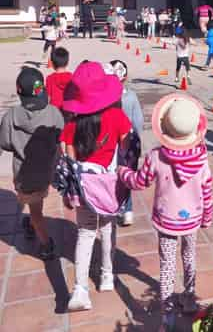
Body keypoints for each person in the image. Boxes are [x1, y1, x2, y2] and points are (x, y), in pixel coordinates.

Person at [118, 94, 213, 332]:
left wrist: (122, 173)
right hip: (192, 219)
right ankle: (190, 298)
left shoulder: (156, 157)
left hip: (167, 221)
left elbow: (139, 182)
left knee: (167, 265)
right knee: (189, 257)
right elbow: (207, 189)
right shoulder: (201, 158)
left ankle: (168, 319)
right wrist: (207, 218)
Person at [60, 61, 132, 312]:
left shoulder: (71, 125)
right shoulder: (116, 116)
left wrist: (69, 191)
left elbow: (69, 159)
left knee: (86, 233)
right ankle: (107, 276)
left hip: (83, 187)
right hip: (109, 185)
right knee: (108, 230)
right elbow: (127, 146)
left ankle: (80, 289)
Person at [0, 67, 64, 260]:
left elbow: (5, 143)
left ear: (19, 91)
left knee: (35, 208)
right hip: (45, 171)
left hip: (24, 173)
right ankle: (37, 228)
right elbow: (60, 140)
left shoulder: (11, 116)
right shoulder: (53, 113)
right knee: (37, 206)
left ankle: (45, 244)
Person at [109, 59, 144, 226]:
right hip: (129, 142)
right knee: (127, 175)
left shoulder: (105, 97)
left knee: (112, 176)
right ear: (126, 76)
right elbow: (138, 122)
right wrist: (138, 140)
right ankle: (128, 209)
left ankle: (115, 207)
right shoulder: (131, 96)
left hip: (111, 144)